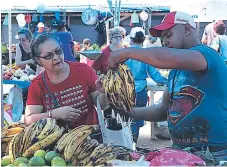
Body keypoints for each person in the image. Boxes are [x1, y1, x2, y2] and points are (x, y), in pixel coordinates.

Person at [108, 11, 227, 163]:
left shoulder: (206, 54)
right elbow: (162, 110)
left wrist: (128, 52)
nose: (164, 41)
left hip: (214, 153)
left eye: (168, 35)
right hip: (180, 151)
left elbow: (167, 57)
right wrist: (128, 112)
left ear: (187, 29)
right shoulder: (175, 71)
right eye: (162, 37)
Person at [25, 33, 109, 131]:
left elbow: (102, 106)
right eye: (48, 56)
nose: (56, 57)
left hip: (92, 137)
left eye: (58, 51)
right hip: (58, 142)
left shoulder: (83, 70)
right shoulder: (37, 85)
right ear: (38, 61)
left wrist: (103, 91)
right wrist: (54, 114)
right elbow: (28, 120)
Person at [125, 27, 167, 142]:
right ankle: (133, 144)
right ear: (143, 40)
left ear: (131, 40)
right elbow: (155, 75)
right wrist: (168, 81)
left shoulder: (124, 54)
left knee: (124, 118)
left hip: (124, 92)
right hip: (140, 92)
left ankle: (126, 145)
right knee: (137, 118)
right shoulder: (146, 54)